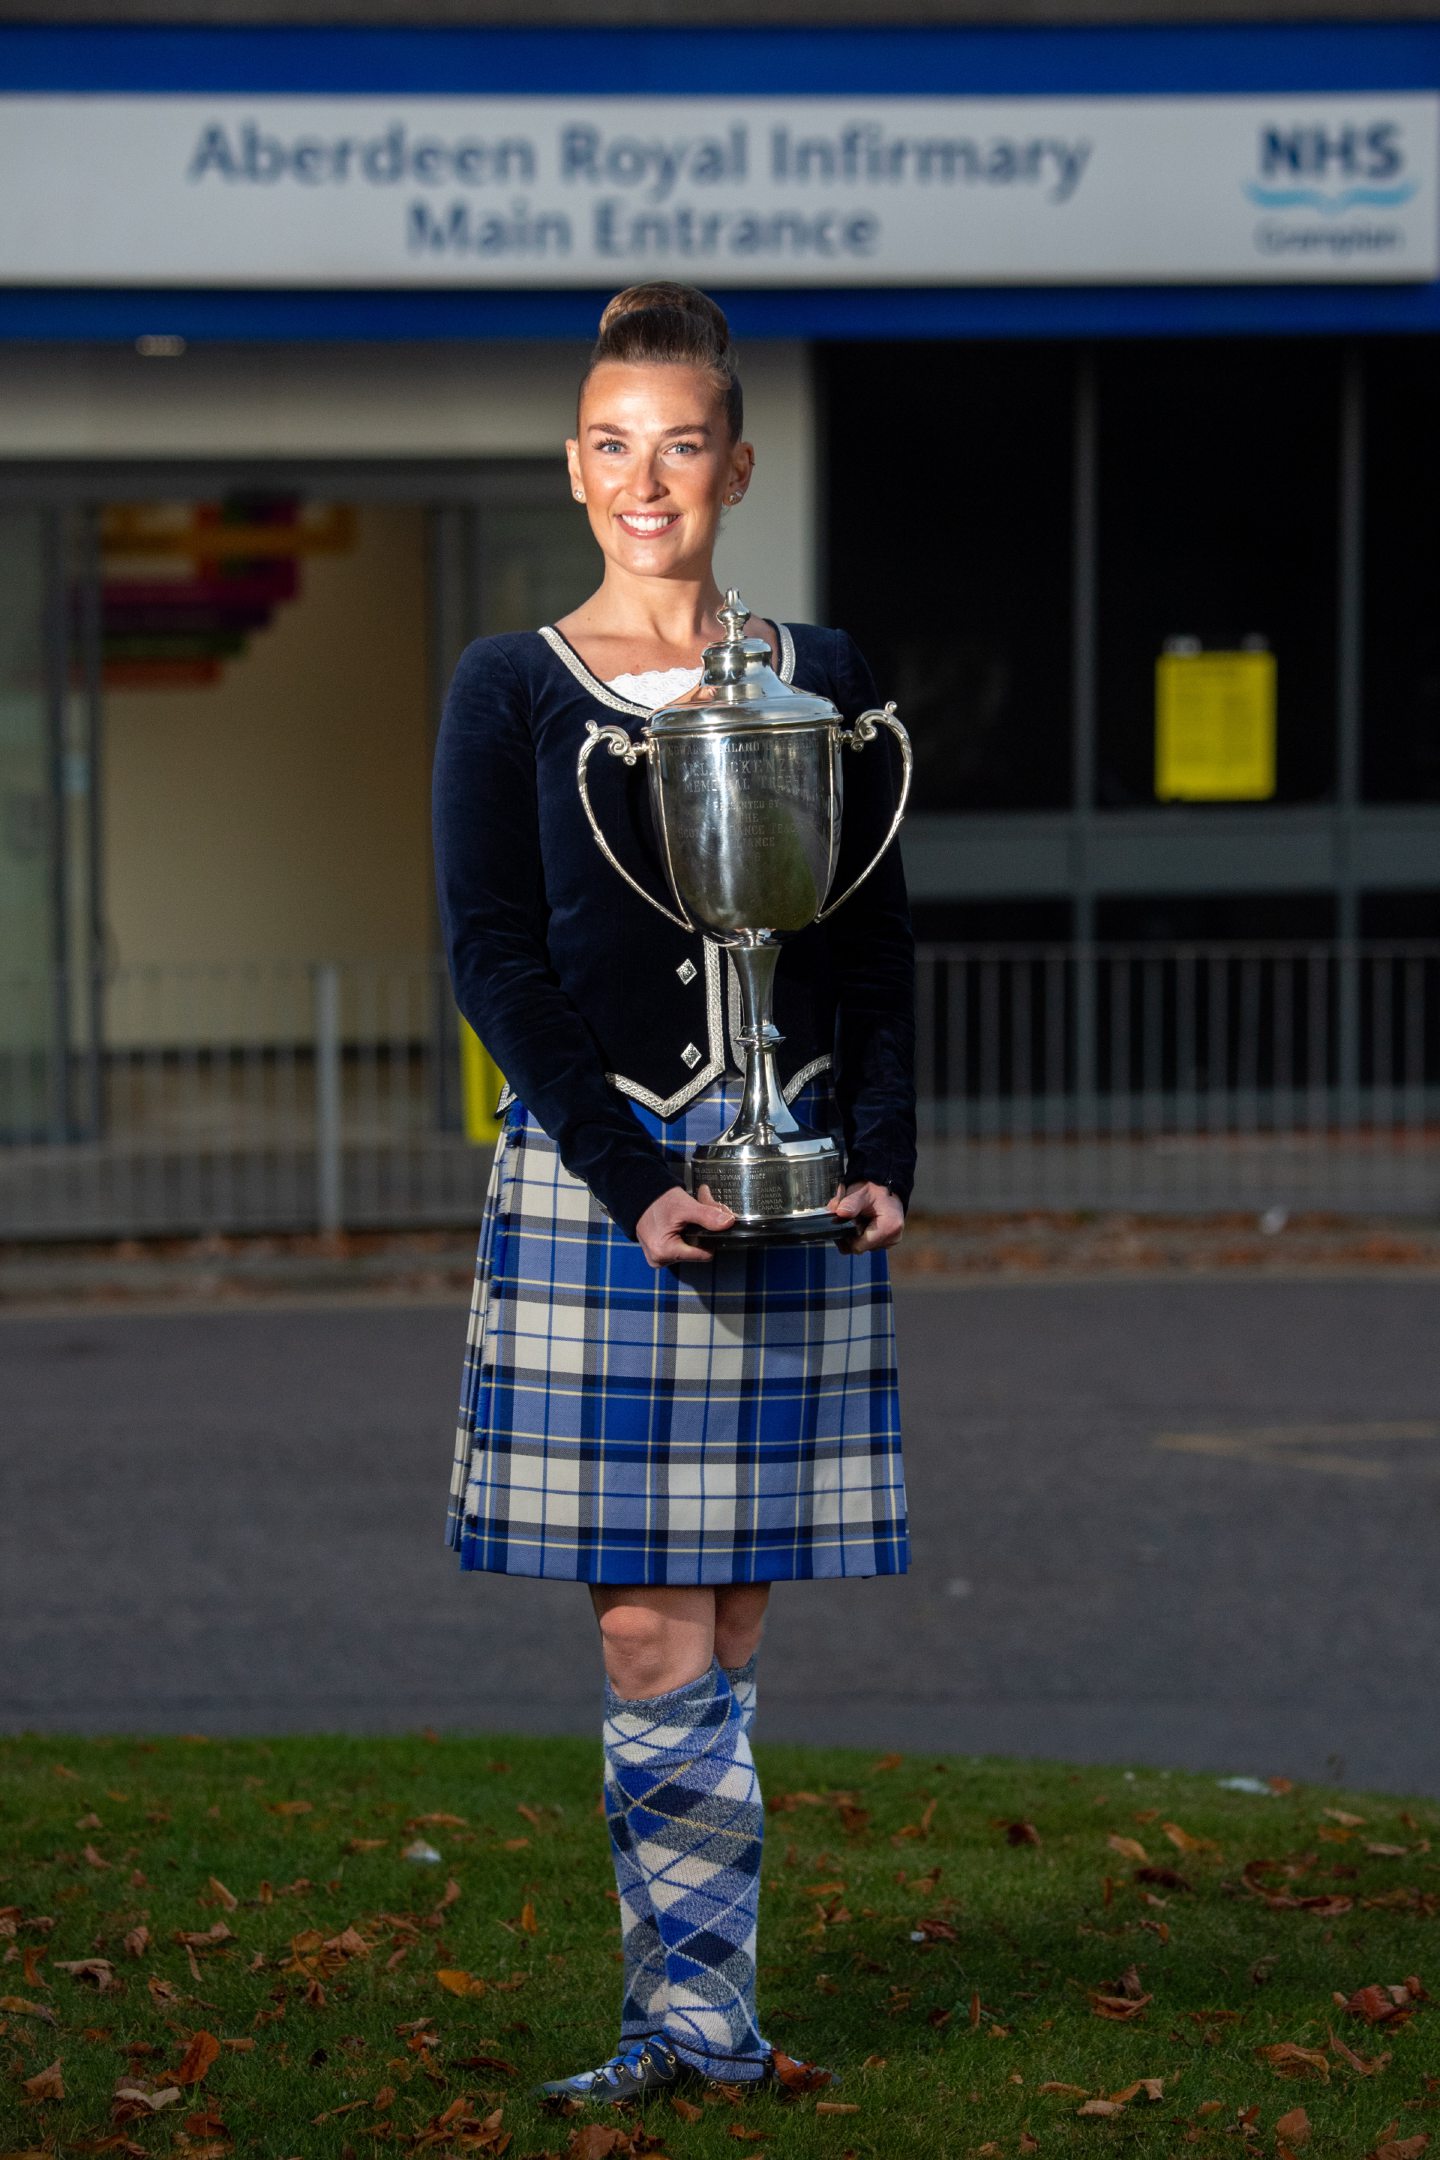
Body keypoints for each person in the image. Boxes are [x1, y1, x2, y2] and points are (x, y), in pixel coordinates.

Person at [432, 281, 915, 2105]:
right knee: (646, 1624)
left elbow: (872, 941)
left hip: (786, 1174)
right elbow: (495, 959)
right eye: (616, 447)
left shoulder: (822, 679)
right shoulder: (509, 687)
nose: (650, 481)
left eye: (684, 444)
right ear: (577, 468)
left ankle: (707, 2021)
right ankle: (689, 2022)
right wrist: (632, 1177)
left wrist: (880, 1152)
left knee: (732, 1625)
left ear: (737, 463)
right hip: (602, 1185)